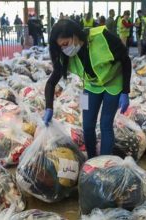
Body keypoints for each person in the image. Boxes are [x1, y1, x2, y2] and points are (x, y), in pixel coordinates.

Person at [44, 19, 131, 159]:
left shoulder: (102, 36)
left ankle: (104, 164)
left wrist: (125, 91)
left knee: (105, 124)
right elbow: (51, 83)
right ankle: (91, 160)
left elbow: (126, 60)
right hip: (90, 86)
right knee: (87, 125)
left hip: (113, 85)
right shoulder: (66, 56)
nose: (65, 49)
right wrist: (49, 107)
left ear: (75, 35)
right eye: (61, 47)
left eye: (66, 44)